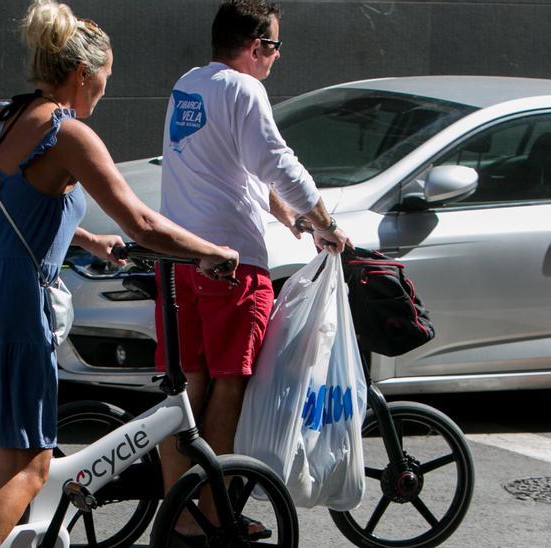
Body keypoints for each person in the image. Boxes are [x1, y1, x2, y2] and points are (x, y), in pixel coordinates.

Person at [0, 1, 240, 545]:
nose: (105, 91)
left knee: (9, 453)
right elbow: (141, 221)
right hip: (4, 301)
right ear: (82, 75)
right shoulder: (67, 134)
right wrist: (209, 251)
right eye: (105, 79)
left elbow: (3, 206)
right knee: (31, 467)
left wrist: (86, 239)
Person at [155, 0, 352, 539]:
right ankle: (214, 515)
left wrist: (289, 217)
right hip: (230, 267)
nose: (275, 60)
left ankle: (181, 518)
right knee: (229, 384)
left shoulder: (189, 85)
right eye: (275, 47)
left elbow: (226, 167)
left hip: (179, 263)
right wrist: (324, 219)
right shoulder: (245, 89)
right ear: (257, 46)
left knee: (186, 387)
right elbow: (276, 159)